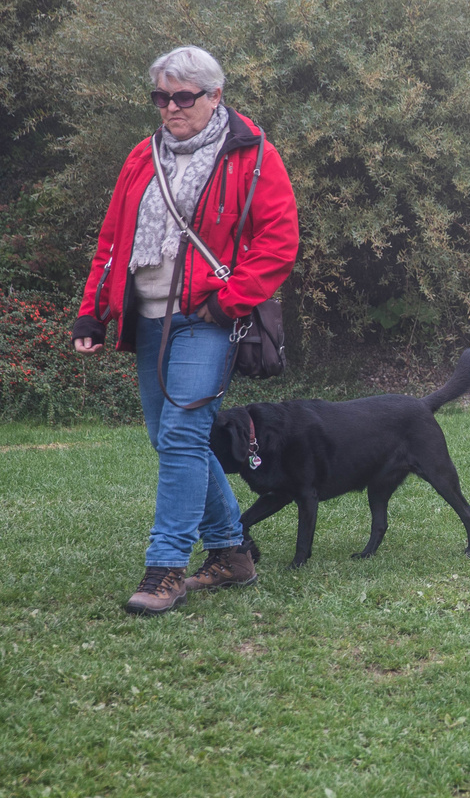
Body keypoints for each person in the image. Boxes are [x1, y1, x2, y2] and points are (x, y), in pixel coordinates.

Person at [72, 46, 299, 615]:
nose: (169, 107)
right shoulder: (141, 156)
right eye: (160, 97)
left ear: (214, 95)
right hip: (145, 317)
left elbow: (278, 242)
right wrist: (93, 310)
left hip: (204, 318)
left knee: (180, 436)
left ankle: (165, 567)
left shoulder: (253, 155)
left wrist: (228, 305)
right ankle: (231, 554)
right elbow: (112, 244)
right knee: (171, 438)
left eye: (182, 97)